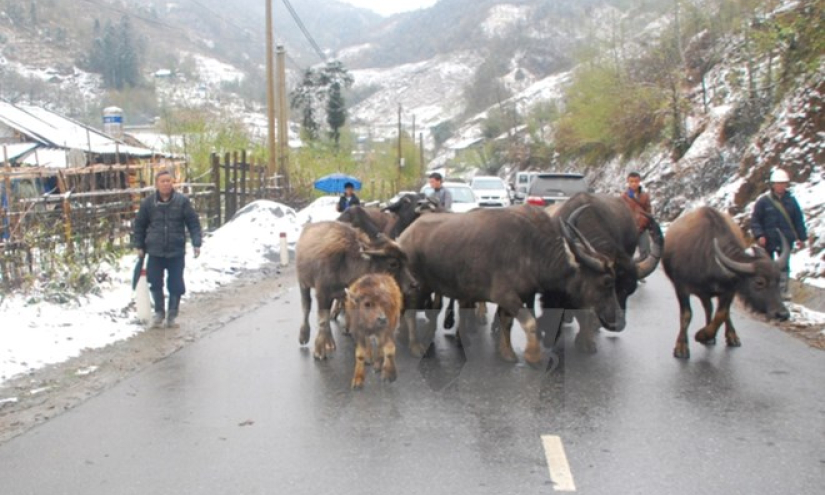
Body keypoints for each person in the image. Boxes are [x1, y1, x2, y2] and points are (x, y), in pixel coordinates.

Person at [133, 170, 203, 328]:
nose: (166, 184)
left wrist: (196, 243)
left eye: (168, 181)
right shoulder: (149, 203)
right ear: (156, 184)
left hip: (176, 249)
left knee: (176, 283)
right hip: (155, 250)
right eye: (162, 181)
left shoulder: (182, 202)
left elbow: (193, 222)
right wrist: (139, 245)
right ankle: (159, 312)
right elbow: (140, 225)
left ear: (173, 183)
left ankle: (172, 313)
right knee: (155, 281)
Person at [751, 168, 809, 300]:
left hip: (786, 239)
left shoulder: (792, 202)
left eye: (783, 183)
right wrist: (759, 235)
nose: (781, 186)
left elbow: (798, 220)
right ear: (773, 184)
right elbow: (755, 220)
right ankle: (767, 291)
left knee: (784, 266)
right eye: (778, 183)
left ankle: (782, 291)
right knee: (767, 266)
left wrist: (802, 237)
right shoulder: (763, 202)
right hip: (768, 240)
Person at [621, 171, 653, 259]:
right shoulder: (624, 196)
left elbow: (649, 211)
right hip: (629, 230)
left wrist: (648, 223)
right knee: (627, 255)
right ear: (628, 182)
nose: (634, 184)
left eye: (636, 181)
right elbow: (621, 213)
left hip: (642, 228)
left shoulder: (645, 196)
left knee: (646, 254)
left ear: (639, 182)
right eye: (631, 181)